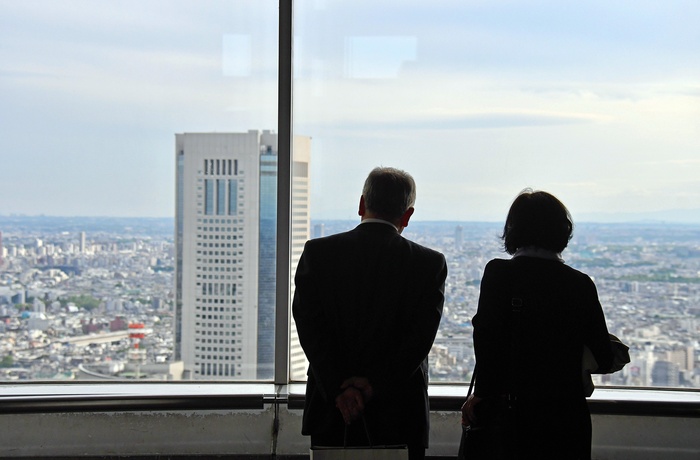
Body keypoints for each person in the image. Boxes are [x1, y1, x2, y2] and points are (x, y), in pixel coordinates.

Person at [292, 166, 447, 460]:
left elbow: (309, 328)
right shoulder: (429, 264)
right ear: (407, 215)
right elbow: (419, 340)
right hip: (399, 410)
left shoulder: (318, 253)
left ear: (362, 204)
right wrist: (374, 385)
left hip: (332, 409)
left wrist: (340, 389)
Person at [462, 189, 614, 460]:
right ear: (562, 231)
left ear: (512, 230)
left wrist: (482, 395)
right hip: (565, 422)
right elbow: (603, 357)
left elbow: (486, 340)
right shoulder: (580, 284)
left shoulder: (499, 274)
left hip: (509, 419)